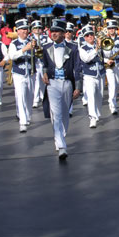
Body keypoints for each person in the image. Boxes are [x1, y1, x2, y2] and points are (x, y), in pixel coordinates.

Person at [42, 18, 82, 160]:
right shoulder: (46, 48)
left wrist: (78, 87)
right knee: (56, 114)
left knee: (65, 114)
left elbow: (77, 68)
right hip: (52, 84)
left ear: (64, 33)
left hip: (67, 83)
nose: (53, 34)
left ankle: (60, 137)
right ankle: (62, 146)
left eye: (57, 31)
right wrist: (45, 72)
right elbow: (45, 64)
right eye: (52, 31)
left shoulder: (73, 48)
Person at [8, 16, 35, 133]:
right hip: (19, 74)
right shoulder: (14, 43)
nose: (25, 31)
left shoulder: (32, 42)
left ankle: (27, 117)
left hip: (30, 73)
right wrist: (24, 49)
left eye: (26, 29)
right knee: (21, 97)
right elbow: (12, 56)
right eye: (22, 29)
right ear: (17, 31)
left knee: (30, 97)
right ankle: (22, 122)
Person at [79, 24, 105, 128]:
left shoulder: (99, 45)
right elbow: (86, 59)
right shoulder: (82, 48)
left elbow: (104, 57)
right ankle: (92, 118)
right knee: (91, 97)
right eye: (87, 35)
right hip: (89, 76)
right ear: (84, 37)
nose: (90, 36)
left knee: (100, 96)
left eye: (91, 34)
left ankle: (97, 114)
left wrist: (108, 58)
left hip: (101, 74)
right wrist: (96, 49)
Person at [102, 19, 119, 115]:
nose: (111, 30)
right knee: (112, 84)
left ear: (116, 29)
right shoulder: (104, 40)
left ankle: (113, 100)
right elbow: (101, 54)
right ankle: (112, 104)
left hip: (118, 63)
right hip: (109, 65)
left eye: (113, 28)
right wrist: (106, 61)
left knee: (117, 84)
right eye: (109, 28)